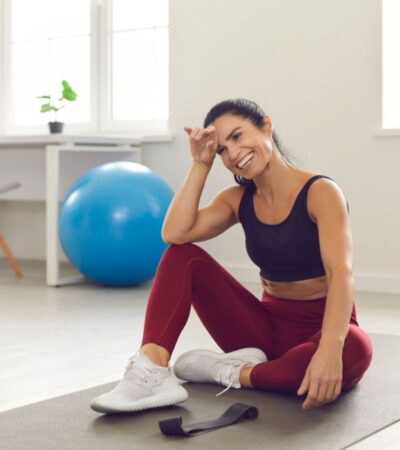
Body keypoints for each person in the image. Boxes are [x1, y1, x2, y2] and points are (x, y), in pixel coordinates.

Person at [91, 98, 373, 414]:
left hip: (324, 325)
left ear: (266, 125)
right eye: (222, 149)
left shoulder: (321, 192)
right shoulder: (237, 200)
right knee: (181, 256)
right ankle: (152, 369)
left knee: (356, 349)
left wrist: (330, 351)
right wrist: (201, 164)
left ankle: (224, 371)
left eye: (237, 136)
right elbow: (175, 234)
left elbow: (341, 275)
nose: (233, 153)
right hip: (263, 331)